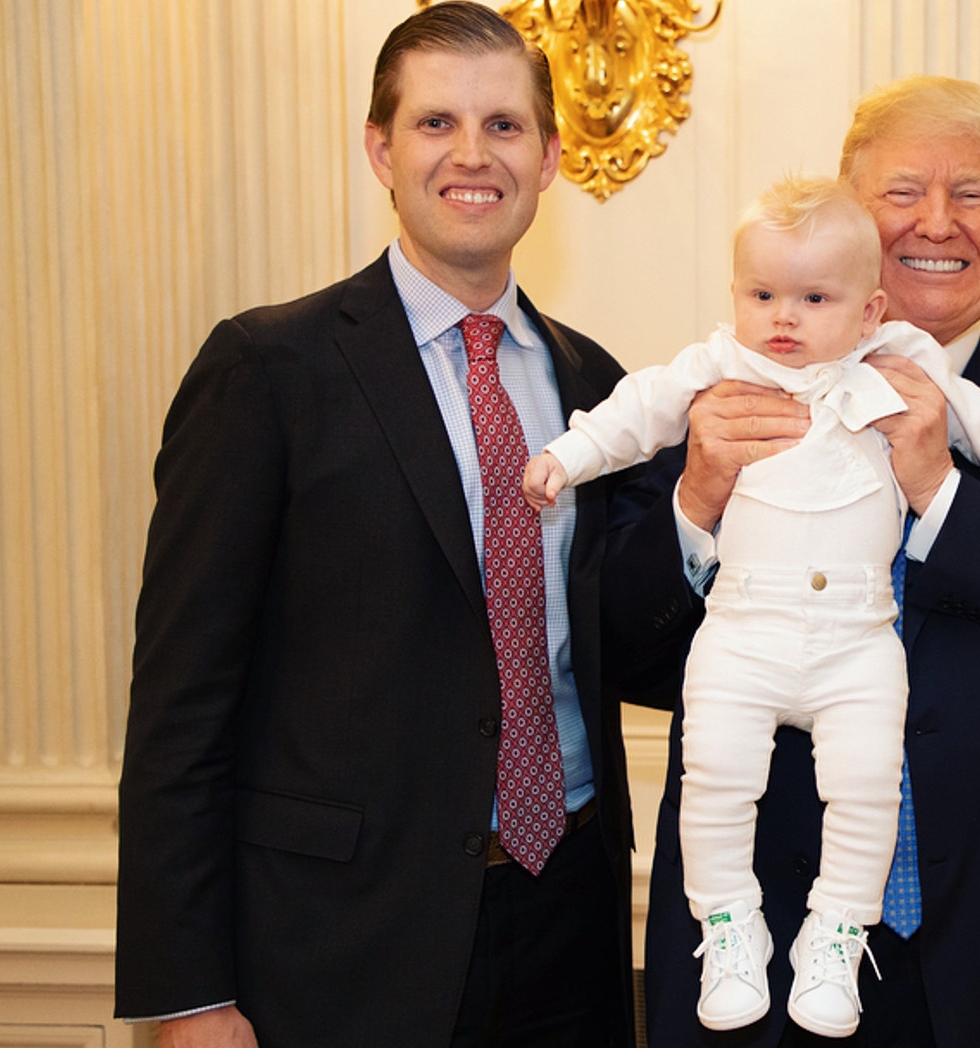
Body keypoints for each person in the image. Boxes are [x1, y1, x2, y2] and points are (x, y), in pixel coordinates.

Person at [603, 76, 980, 1047]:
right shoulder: (716, 392)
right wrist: (694, 502)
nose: (938, 221)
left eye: (974, 195)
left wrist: (943, 494)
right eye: (902, 190)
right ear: (845, 216)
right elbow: (622, 654)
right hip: (770, 961)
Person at [114, 4, 643, 1045]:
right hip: (340, 944)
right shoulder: (267, 371)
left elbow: (640, 644)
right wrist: (189, 992)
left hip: (568, 922)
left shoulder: (599, 386)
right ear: (381, 150)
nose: (471, 153)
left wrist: (707, 508)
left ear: (547, 157)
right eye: (435, 122)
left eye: (503, 125)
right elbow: (182, 702)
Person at [527, 175, 980, 1038]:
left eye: (812, 299)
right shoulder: (722, 367)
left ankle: (835, 932)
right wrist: (566, 456)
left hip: (860, 637)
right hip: (743, 627)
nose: (782, 318)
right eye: (762, 295)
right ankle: (728, 926)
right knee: (714, 776)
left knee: (865, 785)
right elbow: (633, 411)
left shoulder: (900, 367)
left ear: (867, 311)